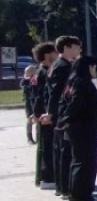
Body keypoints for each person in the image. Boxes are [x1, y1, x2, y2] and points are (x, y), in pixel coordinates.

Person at [58, 56, 97, 201]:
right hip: (84, 128)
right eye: (94, 67)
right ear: (89, 67)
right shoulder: (83, 83)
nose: (95, 70)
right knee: (86, 163)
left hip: (78, 128)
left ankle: (76, 195)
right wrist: (67, 119)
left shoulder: (72, 81)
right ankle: (82, 198)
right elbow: (76, 104)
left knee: (77, 162)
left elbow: (66, 103)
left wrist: (64, 119)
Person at [41, 35, 82, 200]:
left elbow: (47, 91)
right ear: (67, 47)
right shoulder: (64, 66)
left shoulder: (55, 65)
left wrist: (48, 110)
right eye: (76, 47)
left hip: (57, 112)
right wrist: (51, 112)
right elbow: (58, 92)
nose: (79, 50)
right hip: (61, 113)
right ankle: (66, 187)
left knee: (60, 151)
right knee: (65, 152)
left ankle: (61, 186)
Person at [31, 43, 58, 189]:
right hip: (44, 115)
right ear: (48, 55)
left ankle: (40, 177)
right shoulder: (45, 72)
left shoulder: (38, 71)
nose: (57, 55)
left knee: (43, 146)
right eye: (55, 52)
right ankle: (47, 178)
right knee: (47, 146)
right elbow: (41, 96)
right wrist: (40, 113)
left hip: (40, 113)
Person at [21, 65, 37, 145]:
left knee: (38, 119)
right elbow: (25, 90)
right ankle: (29, 138)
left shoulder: (36, 79)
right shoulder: (24, 81)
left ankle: (38, 137)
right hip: (29, 103)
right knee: (29, 120)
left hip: (36, 102)